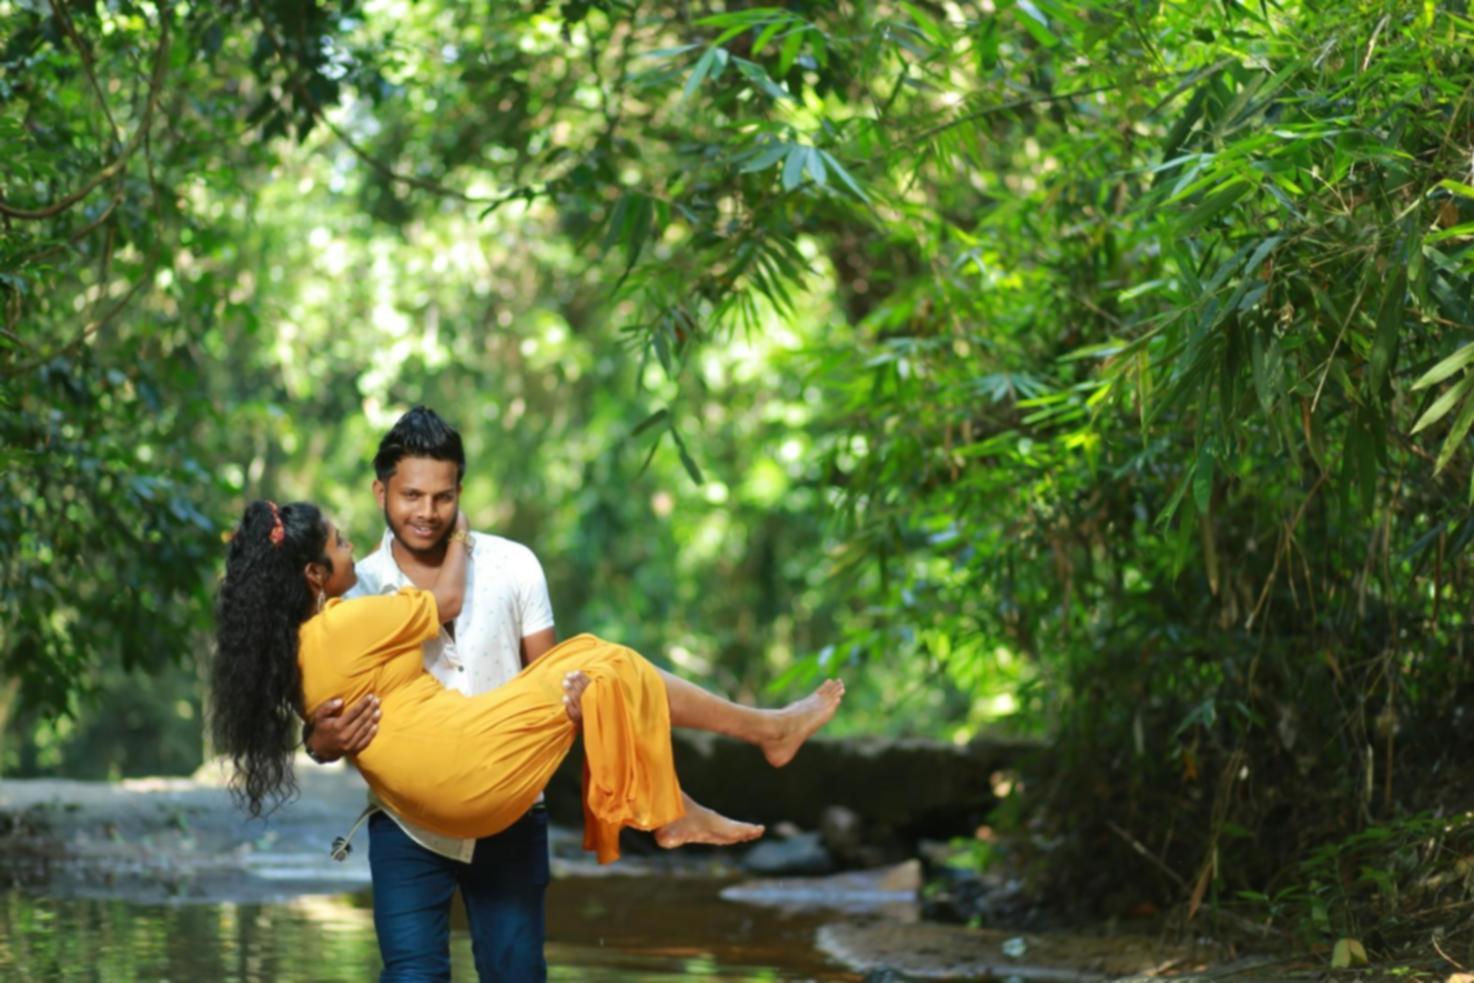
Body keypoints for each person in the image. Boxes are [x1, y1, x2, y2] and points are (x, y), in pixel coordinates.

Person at [211, 498, 846, 976]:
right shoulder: (354, 617)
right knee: (610, 662)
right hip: (461, 771)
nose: (351, 548)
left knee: (593, 662)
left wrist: (318, 738)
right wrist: (462, 535)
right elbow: (450, 597)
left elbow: (328, 726)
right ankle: (759, 738)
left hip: (437, 782)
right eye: (339, 543)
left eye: (443, 499)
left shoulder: (292, 660)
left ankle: (677, 799)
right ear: (315, 574)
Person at [301, 406, 562, 982]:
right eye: (411, 495)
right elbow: (318, 720)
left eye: (442, 497)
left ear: (460, 491)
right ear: (380, 491)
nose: (426, 512)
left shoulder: (514, 565)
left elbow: (550, 677)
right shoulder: (352, 588)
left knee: (516, 973)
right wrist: (319, 740)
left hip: (510, 814)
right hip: (406, 824)